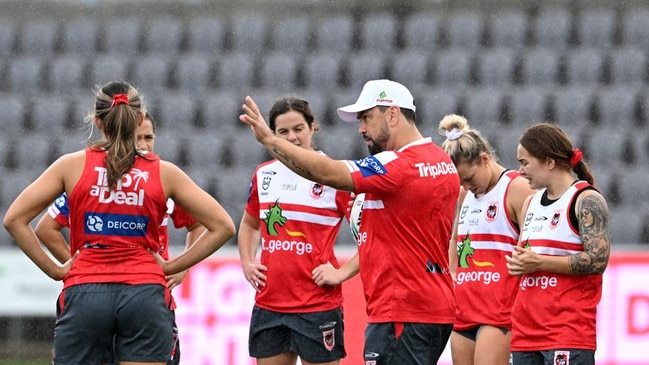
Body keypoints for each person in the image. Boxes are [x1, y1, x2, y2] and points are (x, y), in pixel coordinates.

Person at [3, 81, 236, 365]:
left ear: (99, 122)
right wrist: (172, 266)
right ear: (139, 120)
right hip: (144, 294)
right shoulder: (164, 172)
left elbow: (15, 219)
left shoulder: (71, 166)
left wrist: (55, 270)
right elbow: (223, 225)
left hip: (85, 293)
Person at [240, 79, 460, 364]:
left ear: (392, 115)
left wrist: (270, 141)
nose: (362, 129)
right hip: (428, 305)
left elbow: (331, 173)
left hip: (401, 309)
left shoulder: (398, 165)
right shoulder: (439, 160)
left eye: (367, 117)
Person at [34, 112, 205, 365]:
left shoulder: (160, 180)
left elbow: (200, 224)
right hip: (130, 294)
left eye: (149, 137)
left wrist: (181, 267)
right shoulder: (93, 180)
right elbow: (46, 228)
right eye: (138, 138)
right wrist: (76, 263)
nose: (144, 144)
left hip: (145, 292)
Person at [238, 96, 352, 365]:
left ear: (313, 128)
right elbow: (250, 224)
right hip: (270, 304)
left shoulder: (334, 176)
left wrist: (342, 272)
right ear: (273, 134)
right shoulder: (264, 174)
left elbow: (372, 235)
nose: (292, 137)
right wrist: (246, 262)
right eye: (283, 132)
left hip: (316, 305)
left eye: (298, 129)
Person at [505, 123, 610, 365]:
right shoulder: (529, 203)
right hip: (524, 333)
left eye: (525, 162)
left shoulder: (585, 199)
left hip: (566, 332)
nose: (520, 171)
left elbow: (597, 261)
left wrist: (539, 262)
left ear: (549, 162)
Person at [437, 114, 535, 365]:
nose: (467, 187)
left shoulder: (516, 187)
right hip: (465, 308)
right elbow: (455, 239)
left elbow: (532, 246)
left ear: (484, 159)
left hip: (499, 311)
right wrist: (455, 276)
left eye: (469, 178)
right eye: (461, 182)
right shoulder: (464, 195)